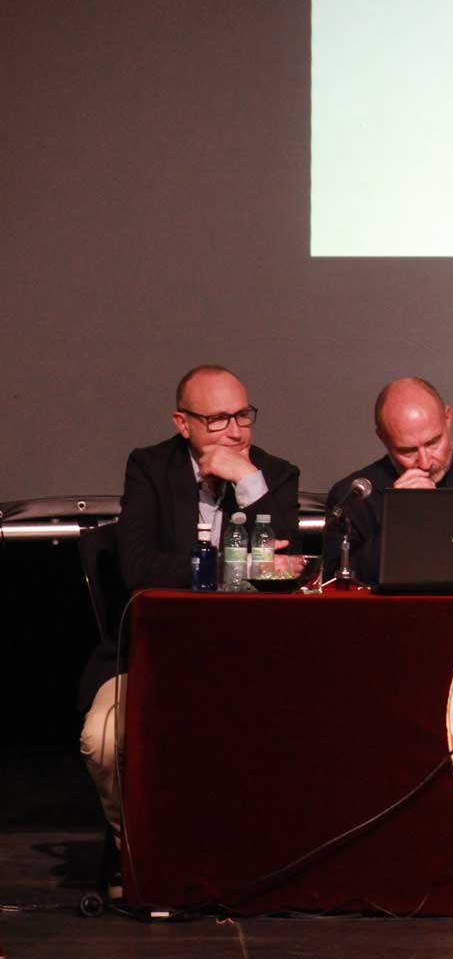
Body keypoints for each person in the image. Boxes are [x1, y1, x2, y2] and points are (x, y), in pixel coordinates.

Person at [76, 365, 300, 894]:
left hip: (249, 659)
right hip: (151, 655)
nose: (236, 431)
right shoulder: (150, 469)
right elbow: (139, 567)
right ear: (183, 423)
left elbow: (282, 570)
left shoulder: (275, 474)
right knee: (102, 741)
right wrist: (233, 565)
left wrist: (249, 484)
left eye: (243, 415)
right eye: (218, 419)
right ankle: (132, 848)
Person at [320, 377, 453, 584]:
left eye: (433, 443)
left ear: (448, 418)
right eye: (408, 451)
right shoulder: (354, 496)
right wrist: (398, 519)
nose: (425, 462)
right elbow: (336, 584)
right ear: (383, 438)